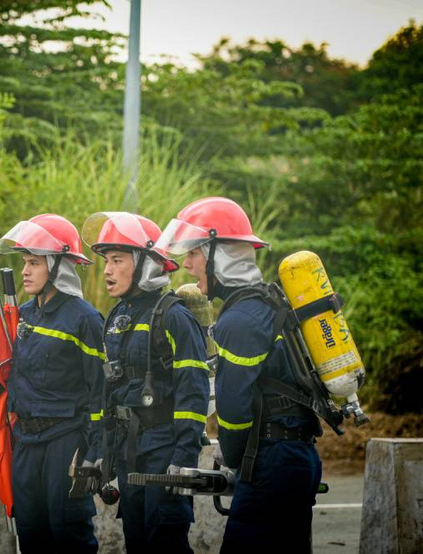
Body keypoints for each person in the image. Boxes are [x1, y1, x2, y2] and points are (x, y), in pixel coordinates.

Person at [156, 197, 323, 552]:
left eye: (194, 253)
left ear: (220, 256)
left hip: (273, 461)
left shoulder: (239, 320)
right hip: (295, 454)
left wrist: (231, 457)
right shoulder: (263, 303)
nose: (186, 264)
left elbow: (233, 412)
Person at [81, 212, 211, 554]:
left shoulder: (174, 316)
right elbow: (110, 391)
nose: (107, 270)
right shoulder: (117, 317)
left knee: (165, 542)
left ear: (146, 264)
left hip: (164, 452)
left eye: (117, 260)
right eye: (106, 261)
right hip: (129, 454)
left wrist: (184, 456)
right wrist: (102, 452)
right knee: (137, 542)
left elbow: (194, 390)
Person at [0, 213, 105, 553]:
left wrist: (96, 452)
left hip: (66, 439)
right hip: (25, 441)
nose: (25, 271)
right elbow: (5, 364)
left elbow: (100, 392)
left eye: (34, 262)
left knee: (68, 531)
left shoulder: (85, 319)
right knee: (30, 532)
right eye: (24, 263)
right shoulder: (21, 315)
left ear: (58, 265)